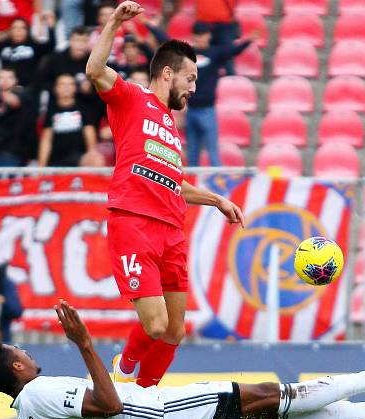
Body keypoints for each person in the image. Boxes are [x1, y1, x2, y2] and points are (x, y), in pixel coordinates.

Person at [0, 301, 365, 419]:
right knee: (278, 393)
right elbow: (108, 405)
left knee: (273, 411)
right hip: (172, 416)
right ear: (17, 366)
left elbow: (99, 417)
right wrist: (84, 343)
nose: (28, 352)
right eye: (20, 351)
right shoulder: (40, 393)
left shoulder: (26, 418)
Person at [85, 1, 245, 388]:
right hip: (135, 223)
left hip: (172, 230)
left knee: (175, 330)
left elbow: (175, 182)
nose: (193, 88)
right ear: (168, 73)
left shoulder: (171, 128)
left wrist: (218, 200)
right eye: (190, 79)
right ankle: (123, 372)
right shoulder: (131, 98)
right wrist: (114, 23)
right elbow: (94, 70)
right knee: (154, 325)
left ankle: (146, 399)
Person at [184, 21, 255, 167]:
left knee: (213, 152)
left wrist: (248, 41)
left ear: (208, 36)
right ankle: (192, 188)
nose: (200, 39)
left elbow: (233, 50)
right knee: (192, 153)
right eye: (197, 36)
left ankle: (217, 187)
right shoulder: (187, 55)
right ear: (192, 36)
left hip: (207, 110)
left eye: (202, 35)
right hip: (190, 109)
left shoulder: (215, 53)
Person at [0, 12, 56, 88]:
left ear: (27, 31)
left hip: (29, 89)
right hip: (6, 88)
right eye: (15, 28)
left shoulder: (34, 46)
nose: (18, 31)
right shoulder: (3, 46)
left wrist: (51, 28)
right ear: (10, 30)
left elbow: (50, 47)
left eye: (22, 28)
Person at [37, 73, 98, 167]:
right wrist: (41, 167)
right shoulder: (50, 111)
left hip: (79, 158)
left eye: (70, 84)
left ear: (75, 88)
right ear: (56, 88)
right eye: (62, 84)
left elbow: (89, 132)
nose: (66, 87)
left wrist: (91, 155)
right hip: (55, 159)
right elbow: (46, 140)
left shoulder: (83, 108)